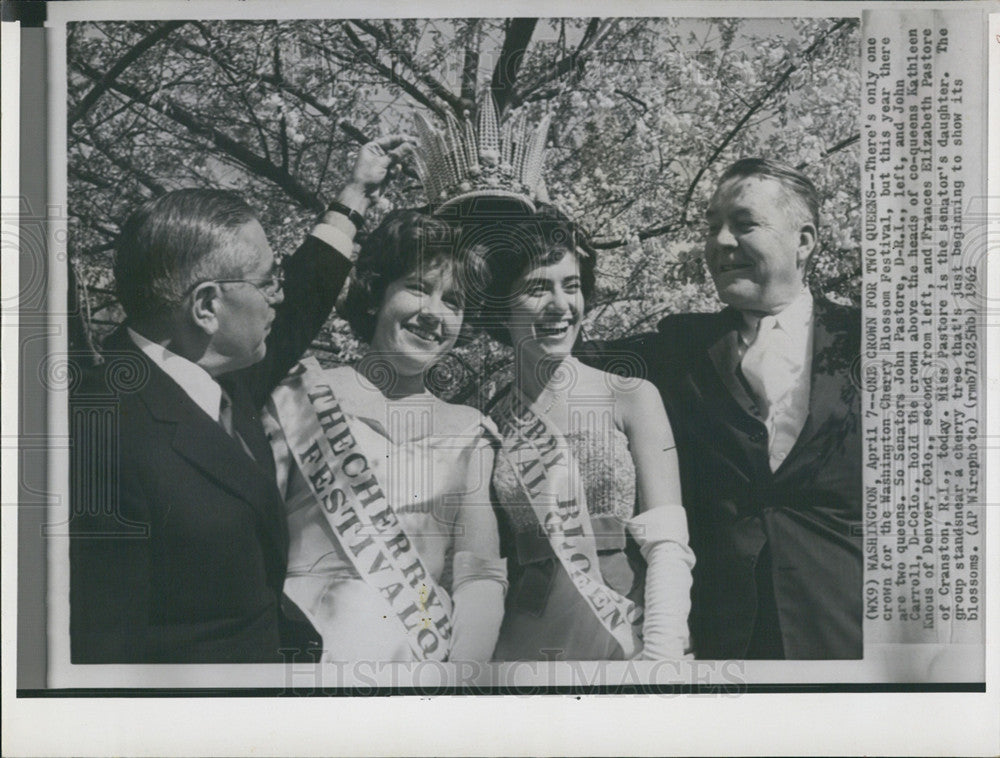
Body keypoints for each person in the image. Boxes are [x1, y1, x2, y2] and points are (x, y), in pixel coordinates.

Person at [69, 137, 409, 663]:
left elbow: (301, 301)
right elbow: (99, 649)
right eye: (267, 281)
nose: (278, 294)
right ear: (207, 306)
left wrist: (356, 194)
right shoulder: (92, 436)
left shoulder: (215, 373)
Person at [579, 158, 862, 660]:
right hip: (719, 642)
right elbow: (550, 338)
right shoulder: (679, 347)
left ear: (805, 241)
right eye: (712, 227)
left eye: (744, 223)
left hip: (848, 635)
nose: (720, 242)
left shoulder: (874, 341)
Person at [263, 209, 506, 663]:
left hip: (418, 658)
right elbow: (253, 543)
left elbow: (479, 575)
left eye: (454, 302)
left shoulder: (470, 432)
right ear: (375, 294)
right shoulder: (300, 393)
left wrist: (461, 675)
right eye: (417, 288)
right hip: (302, 651)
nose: (434, 313)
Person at [476, 204, 695, 661]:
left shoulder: (631, 396)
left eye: (571, 286)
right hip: (528, 636)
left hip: (624, 629)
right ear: (501, 307)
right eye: (538, 288)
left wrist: (661, 658)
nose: (561, 305)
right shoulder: (491, 421)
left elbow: (669, 544)